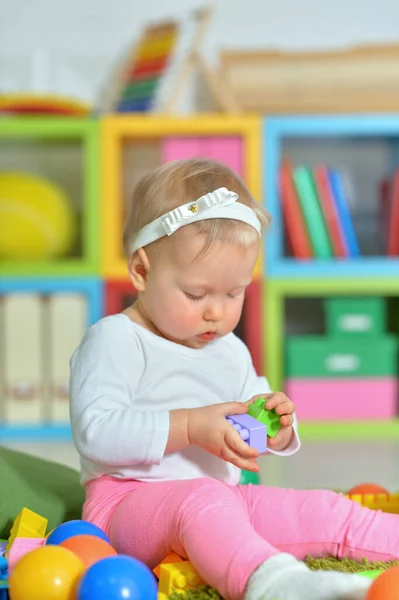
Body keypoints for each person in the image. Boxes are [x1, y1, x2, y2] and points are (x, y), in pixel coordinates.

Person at [70, 158, 397, 600]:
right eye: (196, 293)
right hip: (127, 506)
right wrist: (190, 426)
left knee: (320, 508)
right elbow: (97, 433)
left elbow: (249, 429)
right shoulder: (116, 338)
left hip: (224, 502)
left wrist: (275, 429)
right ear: (142, 272)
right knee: (203, 500)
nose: (217, 312)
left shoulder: (229, 349)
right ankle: (276, 583)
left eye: (234, 293)